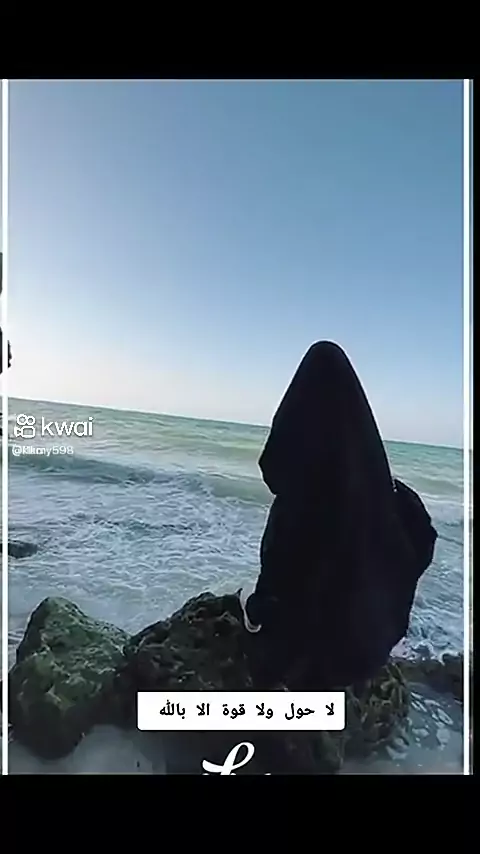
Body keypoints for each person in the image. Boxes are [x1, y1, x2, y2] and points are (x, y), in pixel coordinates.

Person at [240, 341, 437, 691]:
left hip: (317, 665)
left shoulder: (301, 501)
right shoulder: (384, 490)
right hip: (370, 648)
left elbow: (282, 593)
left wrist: (254, 608)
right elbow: (420, 543)